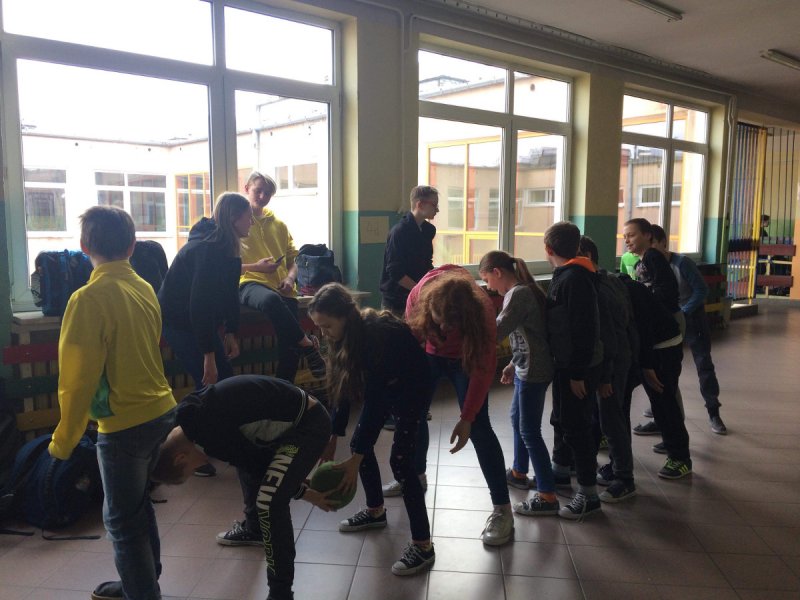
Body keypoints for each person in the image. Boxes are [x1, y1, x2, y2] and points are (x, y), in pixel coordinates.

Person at [48, 206, 177, 600]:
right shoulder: (144, 288)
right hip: (161, 411)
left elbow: (76, 378)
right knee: (137, 506)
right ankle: (143, 580)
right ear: (132, 245)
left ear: (84, 245)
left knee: (120, 520)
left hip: (124, 426)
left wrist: (64, 440)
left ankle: (142, 591)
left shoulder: (87, 299)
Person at [151, 375, 332, 600]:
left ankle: (281, 593)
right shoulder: (186, 417)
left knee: (270, 501)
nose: (200, 466)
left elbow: (261, 468)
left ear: (180, 457)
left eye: (191, 469)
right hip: (285, 422)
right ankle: (255, 529)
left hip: (308, 425)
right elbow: (252, 461)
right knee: (242, 458)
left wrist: (302, 492)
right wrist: (293, 484)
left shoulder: (212, 434)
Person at [308, 283, 435, 576]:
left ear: (344, 316)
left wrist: (356, 458)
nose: (323, 333)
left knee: (401, 463)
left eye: (326, 326)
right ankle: (375, 511)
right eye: (319, 327)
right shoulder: (343, 337)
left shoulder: (377, 336)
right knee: (358, 445)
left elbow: (376, 402)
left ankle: (423, 546)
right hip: (386, 387)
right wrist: (333, 435)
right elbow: (341, 390)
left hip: (412, 389)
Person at [383, 265, 515, 545]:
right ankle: (415, 476)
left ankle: (503, 509)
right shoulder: (418, 296)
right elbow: (410, 346)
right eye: (438, 322)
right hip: (429, 355)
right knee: (414, 414)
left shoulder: (482, 312)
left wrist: (467, 417)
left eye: (450, 325)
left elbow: (482, 370)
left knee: (479, 427)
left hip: (464, 358)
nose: (443, 329)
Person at [159, 193, 252, 476]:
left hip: (199, 322)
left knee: (222, 385)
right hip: (178, 322)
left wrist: (232, 332)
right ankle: (183, 451)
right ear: (233, 218)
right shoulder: (206, 250)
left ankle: (214, 445)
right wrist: (208, 356)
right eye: (248, 217)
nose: (252, 222)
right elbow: (198, 306)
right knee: (210, 386)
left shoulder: (228, 249)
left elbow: (229, 295)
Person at [478, 251, 558, 516]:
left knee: (529, 431)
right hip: (526, 366)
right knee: (517, 420)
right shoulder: (520, 292)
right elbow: (529, 335)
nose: (489, 287)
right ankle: (518, 472)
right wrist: (513, 363)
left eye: (487, 280)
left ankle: (547, 495)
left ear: (497, 272)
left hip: (534, 370)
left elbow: (498, 330)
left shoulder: (518, 294)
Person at [238, 171, 324, 382]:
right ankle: (307, 343)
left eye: (267, 193)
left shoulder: (279, 225)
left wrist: (290, 279)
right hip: (249, 283)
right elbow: (226, 266)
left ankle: (284, 391)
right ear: (246, 189)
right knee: (270, 300)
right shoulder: (237, 222)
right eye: (258, 191)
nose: (262, 196)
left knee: (290, 348)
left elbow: (294, 260)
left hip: (282, 287)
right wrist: (257, 268)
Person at [543, 221, 603, 520]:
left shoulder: (575, 279)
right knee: (561, 419)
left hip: (576, 367)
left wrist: (578, 373)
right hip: (565, 364)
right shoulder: (568, 275)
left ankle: (588, 495)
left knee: (577, 427)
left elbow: (584, 329)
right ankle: (560, 470)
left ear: (548, 249)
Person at [577, 236, 637, 503]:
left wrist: (607, 375)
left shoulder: (599, 286)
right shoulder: (606, 280)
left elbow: (610, 333)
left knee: (611, 419)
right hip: (614, 359)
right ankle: (615, 467)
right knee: (608, 417)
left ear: (587, 255)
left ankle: (624, 478)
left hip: (612, 362)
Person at [651, 225, 726, 435]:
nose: (650, 249)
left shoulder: (682, 263)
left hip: (692, 319)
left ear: (663, 242)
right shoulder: (649, 264)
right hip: (668, 323)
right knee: (664, 367)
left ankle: (713, 412)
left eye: (653, 243)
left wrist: (682, 312)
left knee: (703, 364)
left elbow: (701, 290)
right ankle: (660, 413)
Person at [618, 274, 693, 479]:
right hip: (650, 347)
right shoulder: (613, 286)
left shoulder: (628, 290)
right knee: (647, 399)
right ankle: (669, 443)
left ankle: (680, 457)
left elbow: (645, 328)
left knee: (664, 401)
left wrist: (647, 365)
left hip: (663, 346)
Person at [622, 217, 683, 437]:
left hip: (664, 335)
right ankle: (669, 435)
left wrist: (645, 300)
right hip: (656, 333)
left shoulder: (652, 256)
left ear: (647, 235)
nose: (627, 240)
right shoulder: (641, 261)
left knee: (664, 394)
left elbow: (667, 292)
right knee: (660, 394)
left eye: (631, 235)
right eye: (625, 236)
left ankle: (675, 443)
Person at [379, 185, 438, 317]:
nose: (437, 209)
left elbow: (426, 262)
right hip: (396, 301)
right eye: (434, 205)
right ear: (420, 205)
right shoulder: (399, 232)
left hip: (418, 297)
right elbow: (395, 272)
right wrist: (420, 290)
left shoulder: (428, 230)